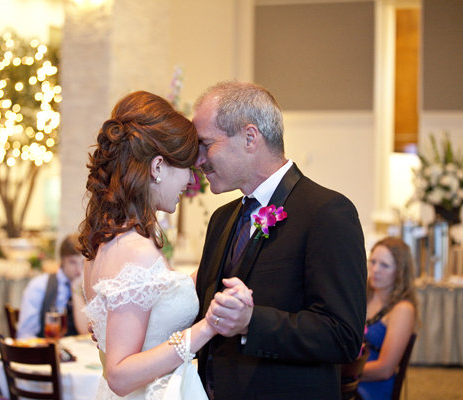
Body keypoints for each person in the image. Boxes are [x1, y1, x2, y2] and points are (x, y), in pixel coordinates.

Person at [192, 81, 368, 399]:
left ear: (249, 137)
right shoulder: (222, 219)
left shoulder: (326, 212)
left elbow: (343, 336)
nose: (199, 160)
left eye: (206, 144)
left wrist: (252, 322)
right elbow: (205, 311)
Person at [79, 90, 252, 399]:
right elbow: (119, 374)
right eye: (185, 167)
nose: (191, 181)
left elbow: (153, 302)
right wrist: (207, 327)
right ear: (157, 167)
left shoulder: (106, 241)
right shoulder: (135, 250)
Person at [357, 237, 418, 400]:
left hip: (372, 386)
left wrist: (341, 372)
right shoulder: (365, 296)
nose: (375, 269)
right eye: (373, 261)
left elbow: (384, 369)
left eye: (384, 265)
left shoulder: (403, 309)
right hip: (351, 378)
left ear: (400, 272)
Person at [16, 233, 88, 338]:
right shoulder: (40, 286)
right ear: (62, 261)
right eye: (72, 262)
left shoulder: (90, 287)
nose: (78, 270)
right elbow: (26, 334)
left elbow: (87, 332)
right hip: (46, 349)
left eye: (82, 263)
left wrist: (77, 290)